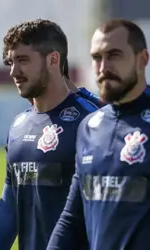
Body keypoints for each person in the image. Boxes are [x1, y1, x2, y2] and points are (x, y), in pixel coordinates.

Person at [0, 19, 98, 250]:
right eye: (11, 62)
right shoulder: (19, 125)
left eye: (23, 60)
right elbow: (9, 205)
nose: (14, 72)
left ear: (53, 60)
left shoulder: (92, 122)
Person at [47, 19, 150, 250]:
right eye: (96, 57)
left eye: (114, 55)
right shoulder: (89, 126)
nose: (103, 67)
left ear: (142, 59)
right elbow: (73, 219)